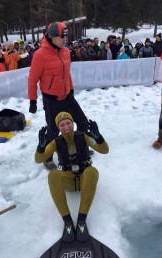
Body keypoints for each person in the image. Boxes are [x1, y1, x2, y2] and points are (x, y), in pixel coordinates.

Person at [35, 112, 109, 242]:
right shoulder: (55, 143)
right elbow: (38, 159)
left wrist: (99, 138)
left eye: (68, 123)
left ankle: (81, 221)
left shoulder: (84, 136)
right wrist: (40, 148)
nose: (66, 127)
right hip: (68, 181)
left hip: (85, 179)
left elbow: (104, 150)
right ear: (58, 128)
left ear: (72, 123)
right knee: (53, 175)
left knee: (92, 171)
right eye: (62, 125)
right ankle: (67, 222)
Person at [28, 22, 90, 170]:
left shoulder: (65, 51)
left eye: (66, 36)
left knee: (82, 122)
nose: (65, 40)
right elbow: (32, 79)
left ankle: (79, 149)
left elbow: (66, 73)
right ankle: (47, 157)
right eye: (62, 37)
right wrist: (33, 100)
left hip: (67, 95)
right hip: (51, 99)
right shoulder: (40, 55)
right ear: (53, 37)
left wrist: (71, 89)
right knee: (53, 131)